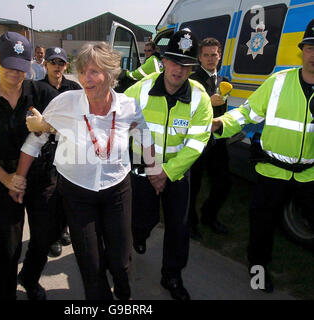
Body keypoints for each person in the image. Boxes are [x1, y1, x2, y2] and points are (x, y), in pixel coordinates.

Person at [17, 42, 154, 300]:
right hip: (77, 193)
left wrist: (155, 172)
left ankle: (124, 295)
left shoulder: (128, 106)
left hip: (117, 191)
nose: (85, 79)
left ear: (111, 75)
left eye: (93, 72)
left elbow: (144, 136)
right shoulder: (66, 103)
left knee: (121, 260)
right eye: (82, 72)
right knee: (91, 266)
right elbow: (35, 139)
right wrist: (18, 178)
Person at [212, 19, 314, 293]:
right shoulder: (278, 82)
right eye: (311, 47)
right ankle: (258, 275)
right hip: (271, 172)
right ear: (302, 50)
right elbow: (247, 113)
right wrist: (221, 124)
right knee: (261, 231)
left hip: (309, 176)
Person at [0, 31, 60, 300]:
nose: (15, 74)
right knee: (8, 244)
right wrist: (6, 179)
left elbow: (69, 123)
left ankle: (30, 278)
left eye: (21, 68)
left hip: (42, 176)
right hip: (3, 176)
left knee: (45, 237)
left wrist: (48, 126)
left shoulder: (42, 93)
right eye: (9, 66)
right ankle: (5, 293)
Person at [124, 29, 213, 300]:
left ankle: (172, 275)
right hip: (142, 165)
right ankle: (138, 234)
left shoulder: (199, 98)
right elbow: (118, 122)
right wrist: (152, 170)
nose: (179, 69)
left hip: (177, 169)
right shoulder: (140, 89)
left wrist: (167, 172)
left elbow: (198, 142)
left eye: (186, 65)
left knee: (178, 226)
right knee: (142, 219)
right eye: (175, 61)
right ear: (163, 60)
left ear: (193, 68)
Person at [39, 46, 82, 258]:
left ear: (66, 65)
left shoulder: (74, 88)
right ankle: (52, 236)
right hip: (45, 150)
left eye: (61, 63)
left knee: (67, 192)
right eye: (53, 62)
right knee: (50, 196)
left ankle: (63, 230)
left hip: (68, 148)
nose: (57, 66)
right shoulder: (36, 88)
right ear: (45, 64)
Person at [188, 37, 231, 239]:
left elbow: (223, 111)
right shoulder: (192, 80)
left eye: (214, 54)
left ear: (219, 55)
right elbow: (186, 110)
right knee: (193, 185)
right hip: (197, 139)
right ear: (199, 57)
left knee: (223, 183)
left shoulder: (224, 81)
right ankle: (190, 223)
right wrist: (207, 100)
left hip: (218, 141)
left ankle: (209, 216)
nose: (211, 59)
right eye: (206, 55)